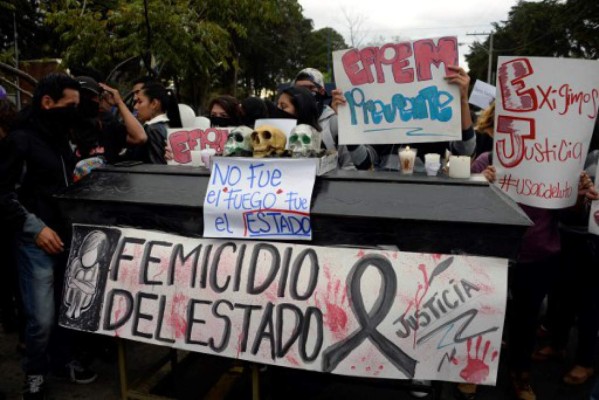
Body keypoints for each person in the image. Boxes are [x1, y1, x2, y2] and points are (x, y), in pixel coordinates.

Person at [0, 73, 97, 400]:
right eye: (70, 105)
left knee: (66, 310)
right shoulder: (20, 141)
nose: (75, 112)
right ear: (47, 102)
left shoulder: (60, 139)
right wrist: (36, 228)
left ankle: (61, 362)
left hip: (68, 239)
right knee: (40, 318)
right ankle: (35, 373)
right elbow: (3, 195)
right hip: (36, 243)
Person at [471, 152, 598, 400]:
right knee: (482, 313)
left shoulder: (553, 166)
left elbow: (568, 216)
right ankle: (472, 374)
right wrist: (479, 183)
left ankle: (520, 375)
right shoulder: (487, 161)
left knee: (526, 321)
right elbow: (466, 207)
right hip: (493, 253)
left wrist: (576, 194)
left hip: (537, 255)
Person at [295, 67, 375, 170]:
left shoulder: (335, 123)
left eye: (310, 88)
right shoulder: (288, 121)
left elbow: (351, 167)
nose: (304, 93)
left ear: (321, 91)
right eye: (299, 89)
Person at [126, 82, 181, 164]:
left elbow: (156, 167)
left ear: (154, 104)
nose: (135, 107)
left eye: (140, 102)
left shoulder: (152, 130)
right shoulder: (165, 126)